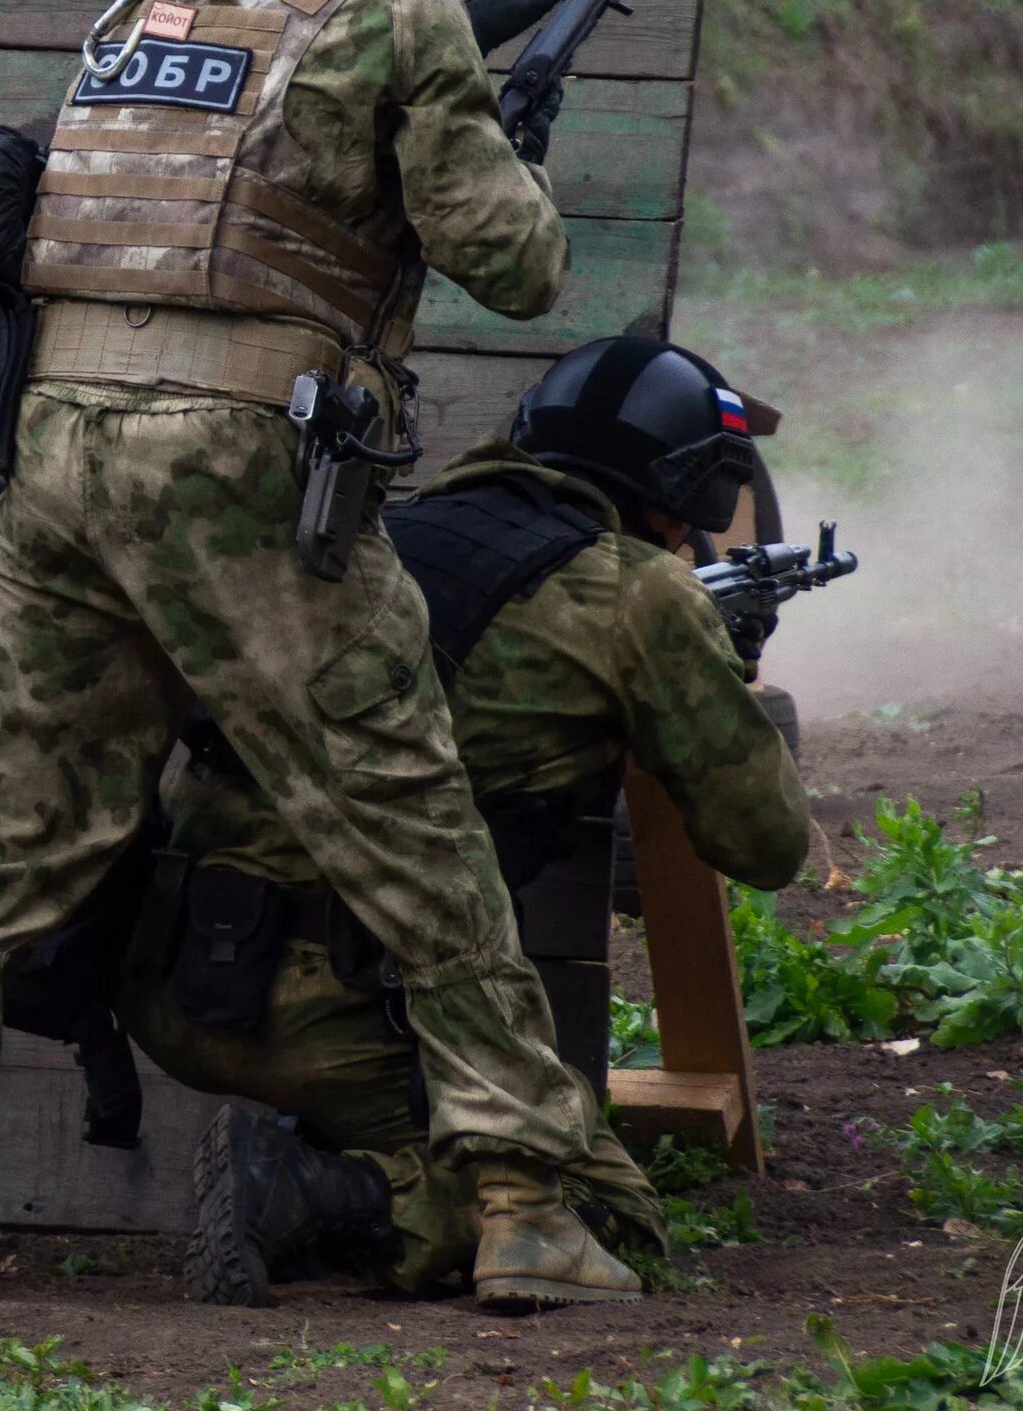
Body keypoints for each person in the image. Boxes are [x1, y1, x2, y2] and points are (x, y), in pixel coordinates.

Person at [0, 0, 641, 1313]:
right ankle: (529, 1203)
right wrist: (498, 120)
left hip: (57, 453)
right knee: (410, 827)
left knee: (0, 845)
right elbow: (517, 263)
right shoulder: (398, 3)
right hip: (241, 461)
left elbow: (248, 165)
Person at [132, 336, 811, 1304]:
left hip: (177, 974)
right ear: (677, 493)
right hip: (335, 1005)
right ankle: (316, 1189)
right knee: (599, 1210)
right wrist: (721, 671)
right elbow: (768, 843)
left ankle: (342, 1159)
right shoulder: (639, 591)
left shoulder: (376, 541)